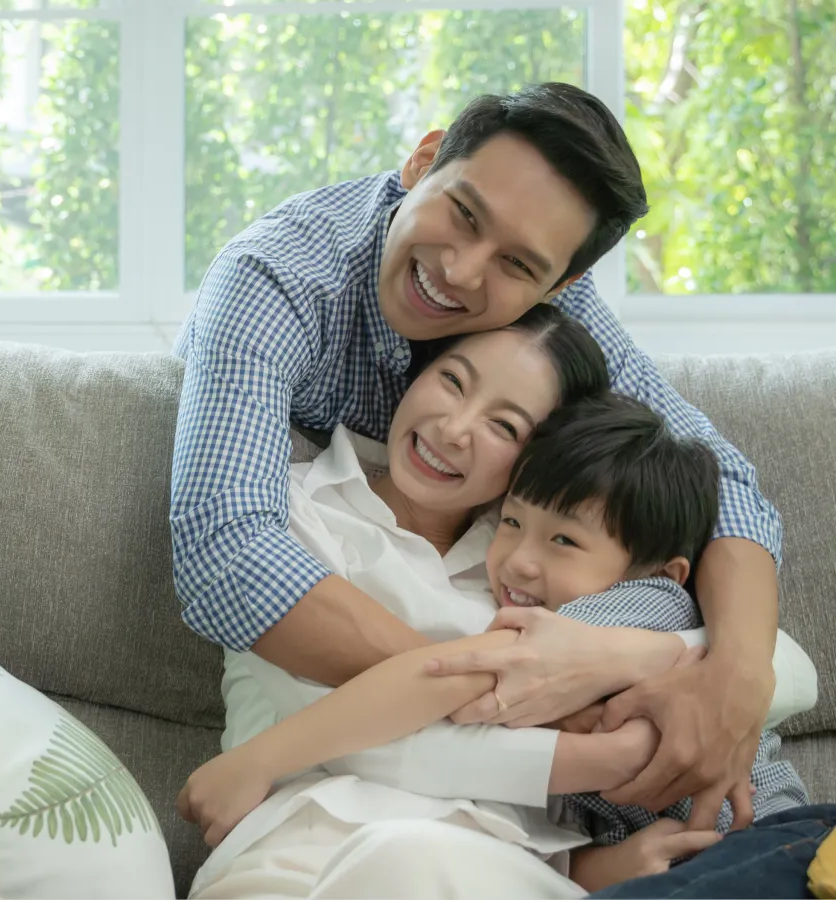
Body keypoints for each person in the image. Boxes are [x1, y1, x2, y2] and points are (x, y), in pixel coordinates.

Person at [171, 81, 785, 831]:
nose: (462, 271)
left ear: (565, 283)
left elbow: (716, 478)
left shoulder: (550, 308)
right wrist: (519, 690)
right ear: (423, 159)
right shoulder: (278, 277)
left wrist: (739, 677)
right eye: (462, 213)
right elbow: (225, 546)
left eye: (519, 266)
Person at [177, 392, 811, 897]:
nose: (518, 562)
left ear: (660, 570)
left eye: (563, 542)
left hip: (764, 848)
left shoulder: (635, 608)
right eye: (511, 523)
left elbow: (448, 675)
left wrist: (257, 761)